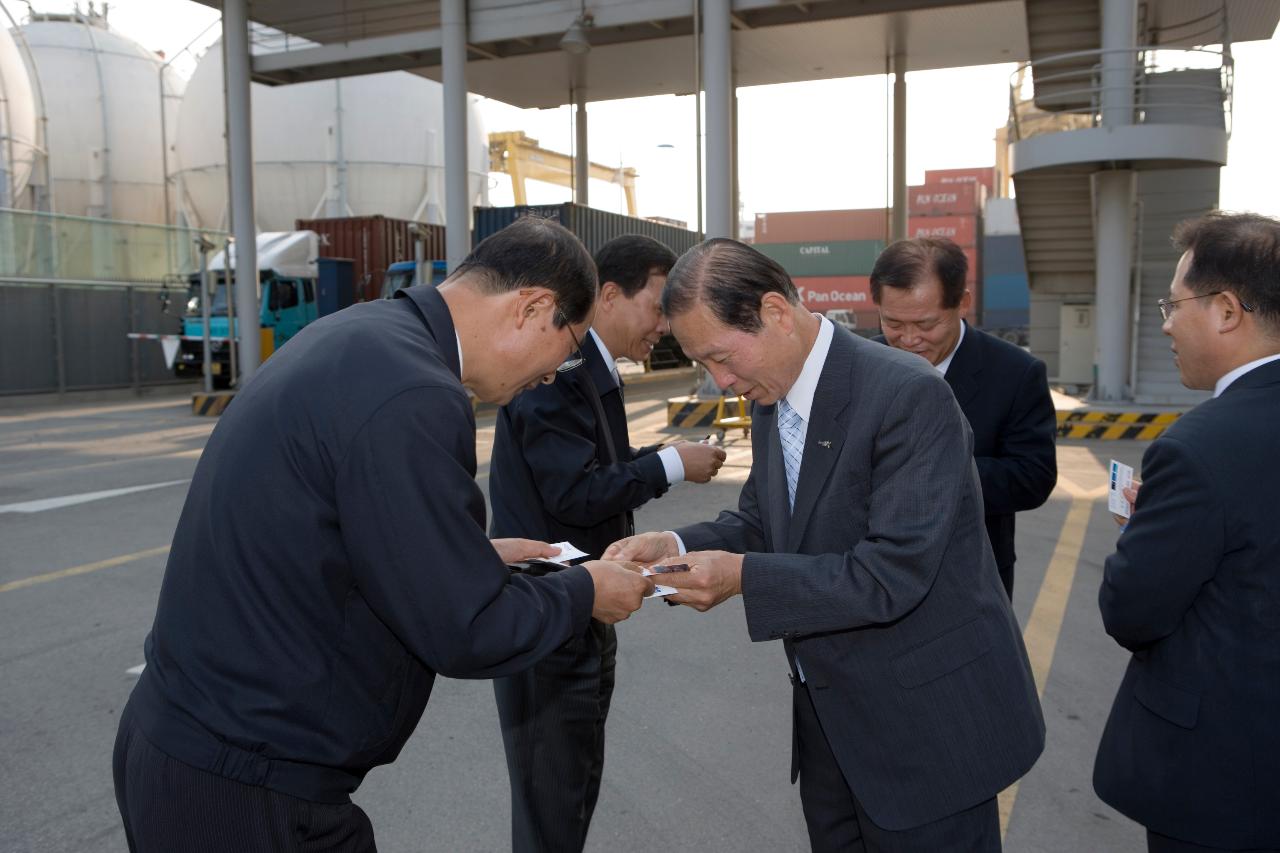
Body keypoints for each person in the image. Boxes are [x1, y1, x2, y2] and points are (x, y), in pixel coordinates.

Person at [111, 217, 654, 853]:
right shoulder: (417, 392)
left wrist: (460, 553)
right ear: (532, 308)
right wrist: (586, 592)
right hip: (250, 793)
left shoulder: (366, 337)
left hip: (198, 753)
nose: (555, 373)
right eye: (569, 347)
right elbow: (469, 630)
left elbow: (336, 531)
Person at [607, 238, 1045, 852]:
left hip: (927, 733)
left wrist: (741, 578)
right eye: (705, 364)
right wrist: (673, 542)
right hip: (832, 724)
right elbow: (765, 520)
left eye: (722, 358)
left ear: (777, 313)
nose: (721, 381)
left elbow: (891, 574)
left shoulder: (907, 395)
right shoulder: (772, 390)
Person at [488, 234, 727, 853]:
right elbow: (576, 492)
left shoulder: (593, 370)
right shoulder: (556, 370)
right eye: (658, 306)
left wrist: (667, 456)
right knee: (552, 800)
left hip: (584, 602)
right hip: (548, 612)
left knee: (573, 788)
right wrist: (671, 464)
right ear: (611, 295)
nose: (665, 326)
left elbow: (606, 464)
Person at [1093, 211, 1280, 853]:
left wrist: (1146, 528)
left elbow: (1132, 610)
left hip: (1225, 786)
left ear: (1227, 310)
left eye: (1173, 306)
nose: (1167, 324)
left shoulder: (1199, 448)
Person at [870, 237, 1057, 598]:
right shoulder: (863, 361)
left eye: (926, 324)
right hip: (873, 576)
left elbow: (1033, 478)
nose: (908, 340)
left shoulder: (1016, 373)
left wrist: (928, 472)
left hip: (971, 581)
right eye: (893, 322)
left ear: (962, 304)